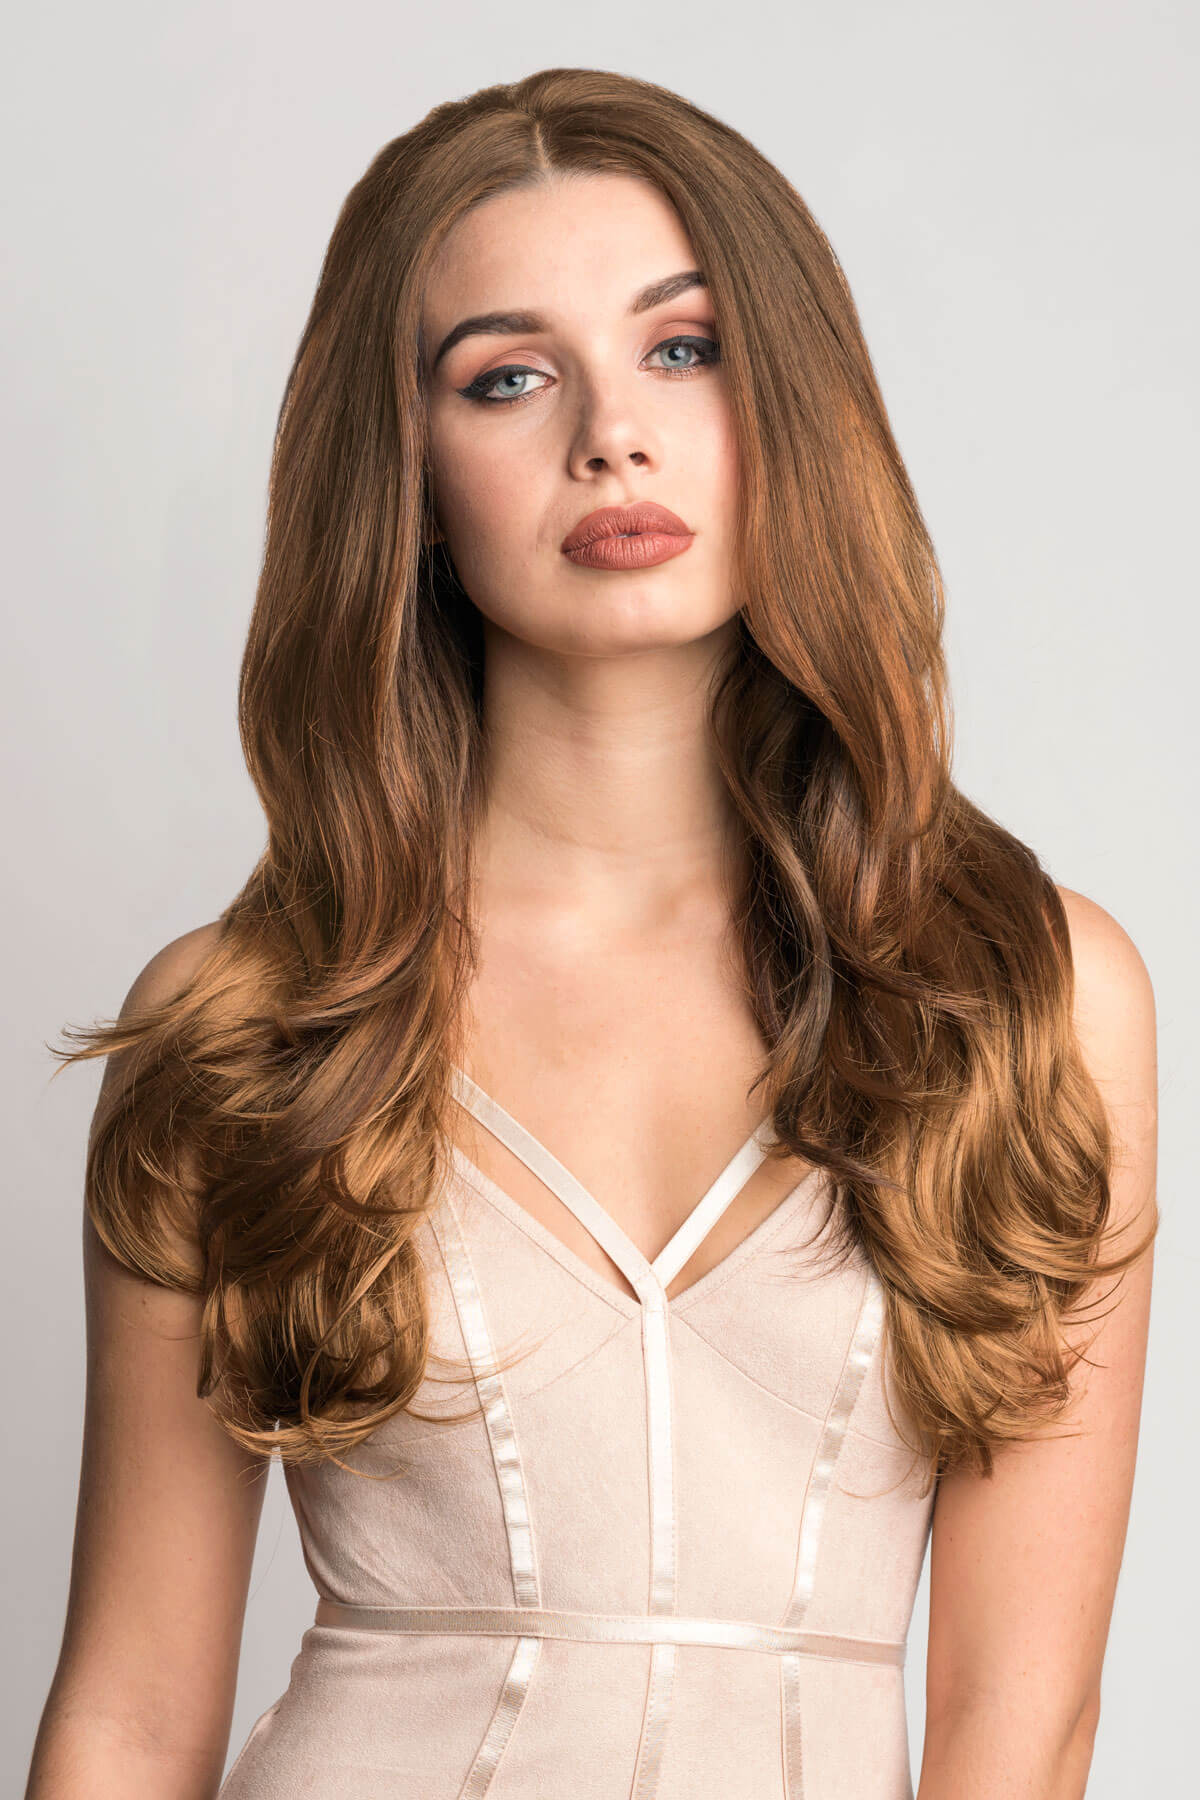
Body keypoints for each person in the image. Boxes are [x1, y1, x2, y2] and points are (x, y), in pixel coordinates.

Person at [26, 67, 1157, 1800]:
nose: (610, 435)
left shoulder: (1024, 994)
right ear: (404, 474)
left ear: (792, 395)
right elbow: (128, 1714)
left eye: (683, 348)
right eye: (509, 376)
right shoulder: (250, 1022)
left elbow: (1026, 1723)